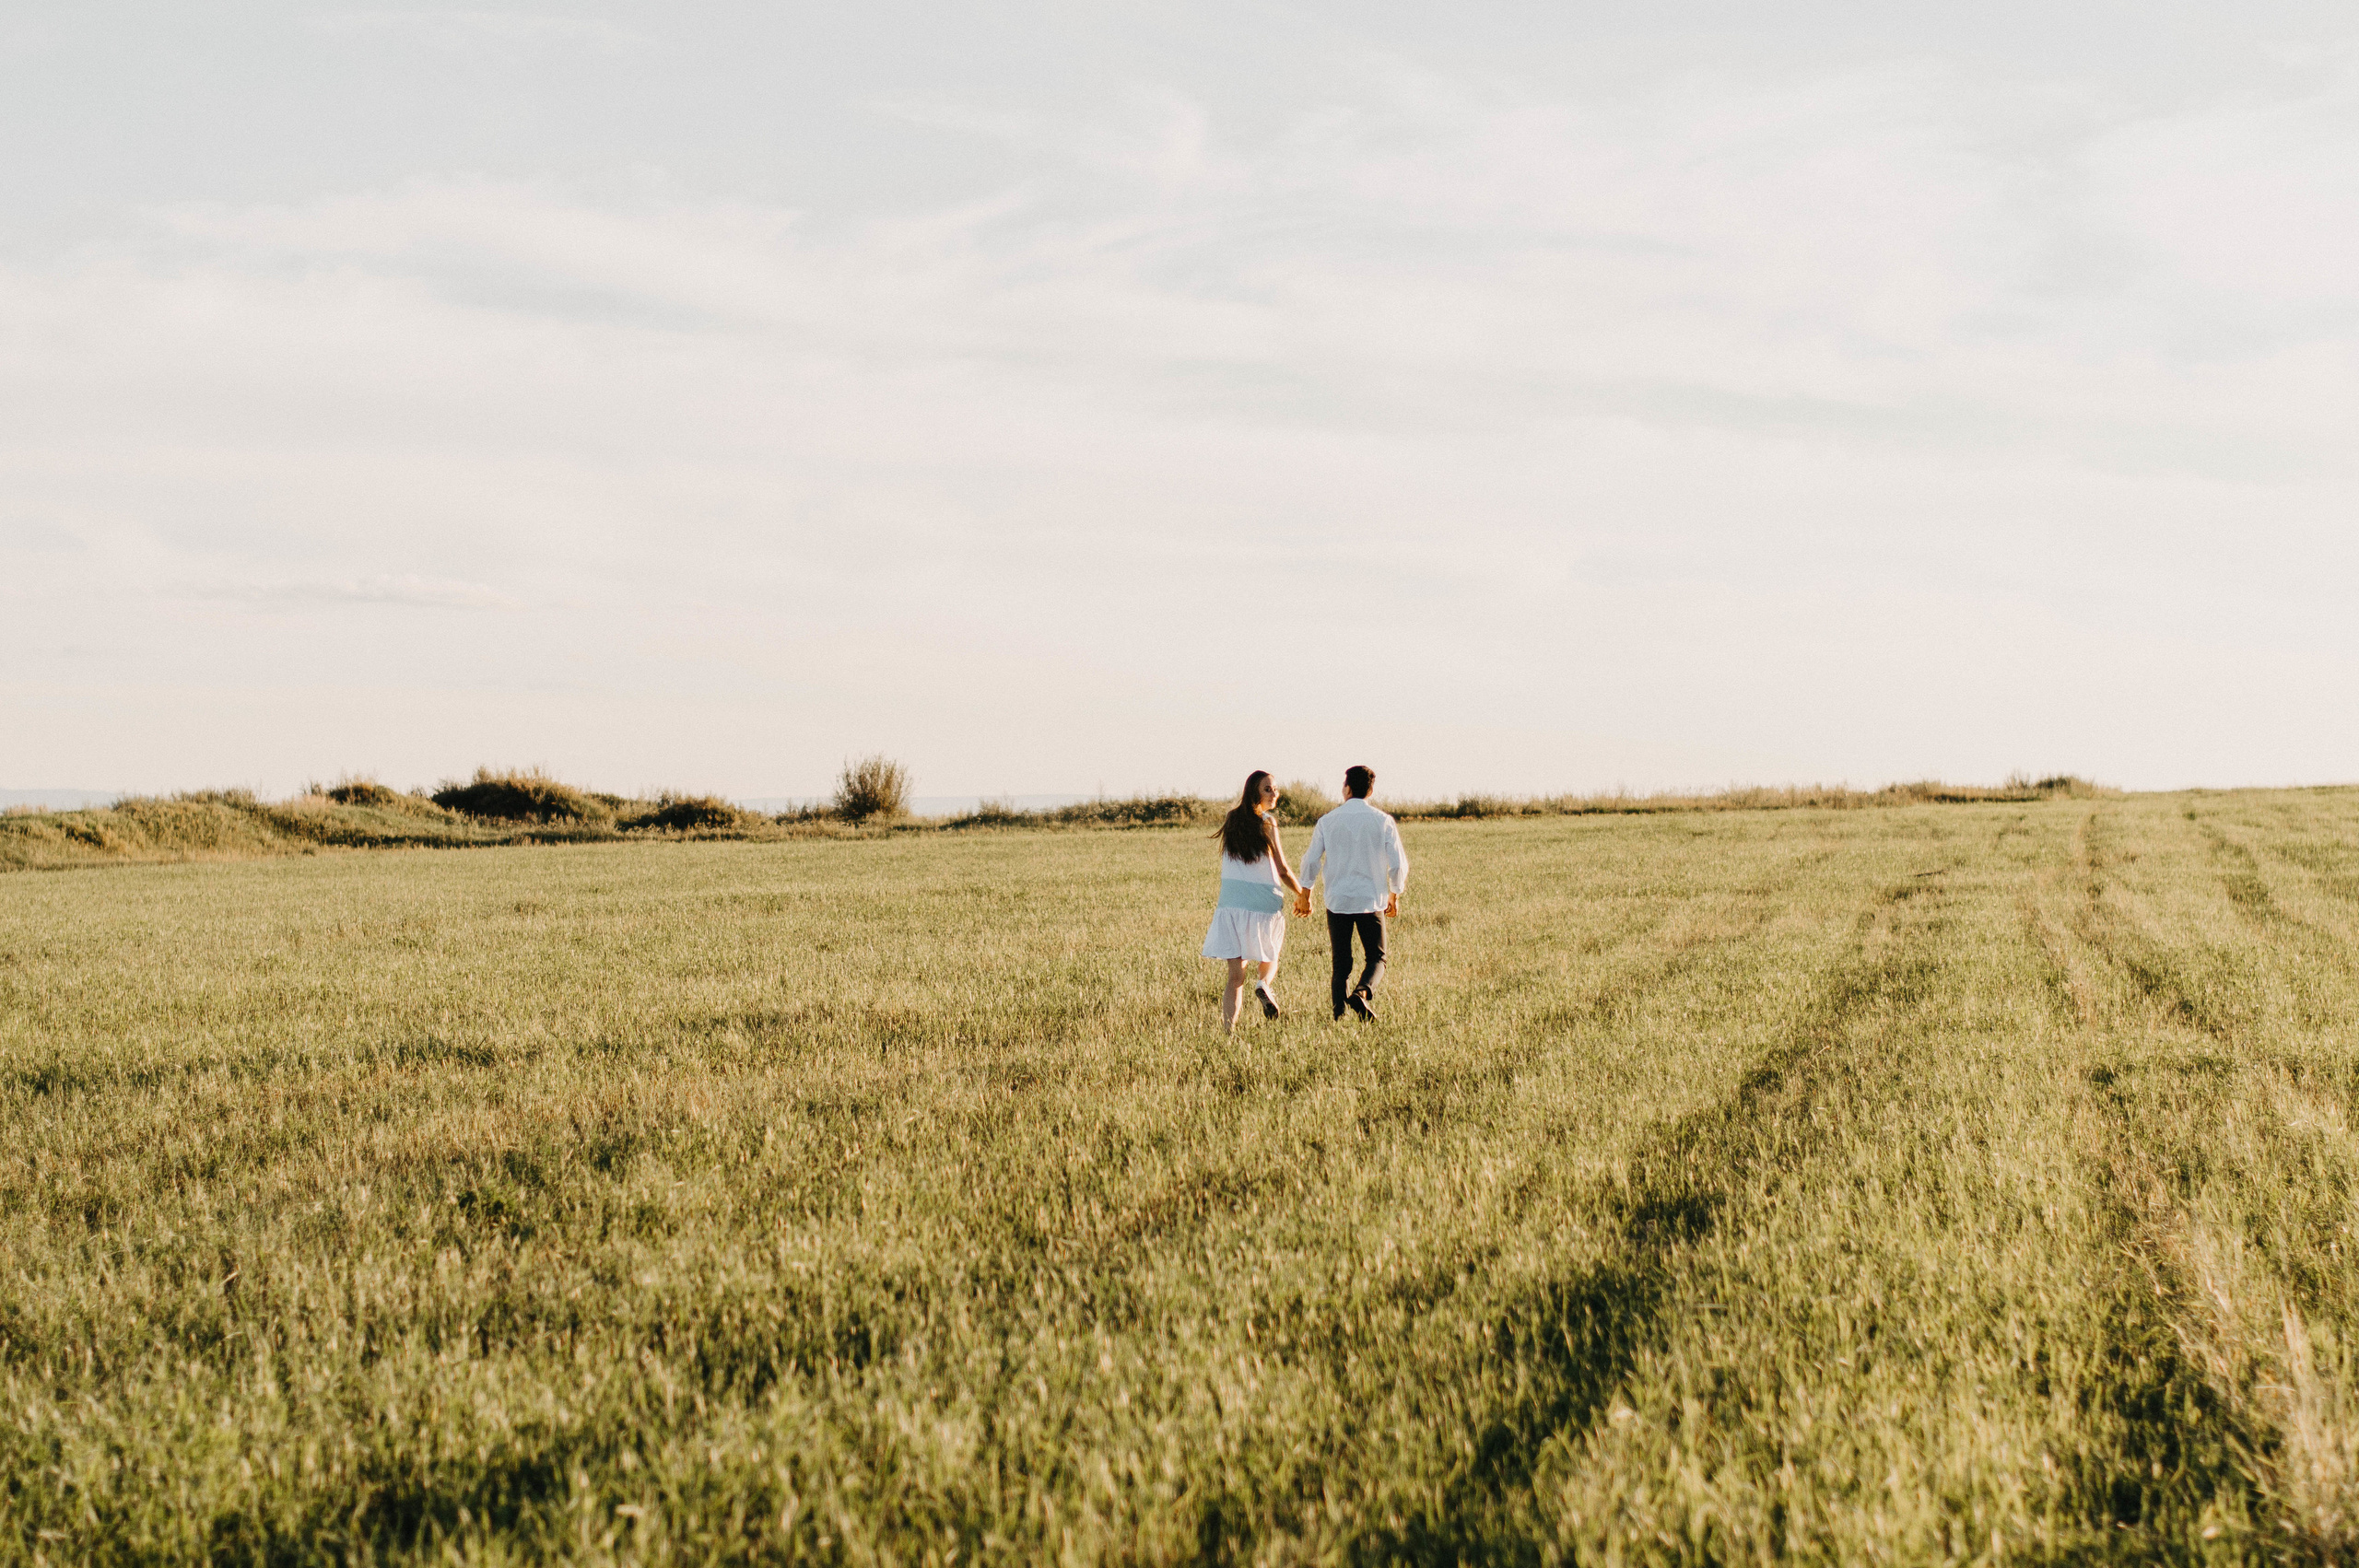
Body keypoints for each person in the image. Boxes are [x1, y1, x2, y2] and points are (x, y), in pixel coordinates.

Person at [1295, 764, 1408, 1022]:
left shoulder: (1327, 821)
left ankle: (1338, 1015)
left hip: (1338, 900)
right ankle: (1362, 992)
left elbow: (1311, 861)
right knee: (1377, 958)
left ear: (1346, 788)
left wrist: (1305, 894)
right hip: (1371, 900)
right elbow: (1398, 864)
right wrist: (1395, 893)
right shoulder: (1383, 821)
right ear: (1370, 791)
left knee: (1341, 963)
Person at [1200, 770, 1308, 1034]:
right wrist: (1302, 894)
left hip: (1231, 906)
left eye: (1275, 788)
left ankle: (1228, 1031)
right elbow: (1282, 869)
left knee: (1235, 978)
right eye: (1267, 789)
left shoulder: (1232, 819)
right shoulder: (1268, 822)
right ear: (1254, 792)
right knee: (1270, 955)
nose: (1274, 793)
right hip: (1264, 904)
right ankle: (1264, 985)